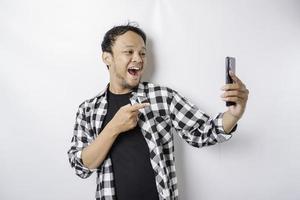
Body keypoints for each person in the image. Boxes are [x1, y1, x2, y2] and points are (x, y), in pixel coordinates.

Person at [67, 23, 249, 200]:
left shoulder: (162, 96)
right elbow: (81, 166)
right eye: (129, 51)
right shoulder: (88, 110)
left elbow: (202, 133)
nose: (138, 59)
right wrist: (113, 127)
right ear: (107, 58)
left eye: (142, 53)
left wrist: (233, 115)